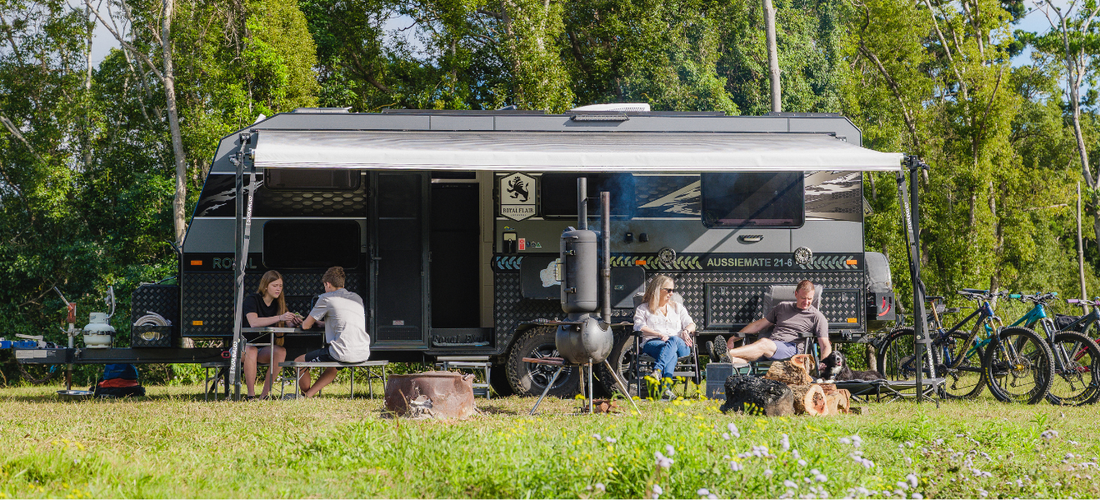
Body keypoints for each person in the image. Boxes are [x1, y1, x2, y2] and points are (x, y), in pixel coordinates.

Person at [287, 266, 370, 398]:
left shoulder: (326, 298)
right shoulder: (356, 298)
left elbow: (306, 326)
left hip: (341, 351)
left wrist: (302, 321)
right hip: (363, 351)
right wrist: (322, 324)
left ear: (328, 284)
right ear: (342, 283)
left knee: (298, 362)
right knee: (332, 368)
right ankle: (308, 395)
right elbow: (343, 321)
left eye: (324, 286)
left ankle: (303, 395)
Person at [714, 279, 831, 365]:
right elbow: (758, 325)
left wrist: (824, 364)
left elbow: (825, 345)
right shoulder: (783, 307)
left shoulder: (817, 316)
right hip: (772, 348)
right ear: (796, 294)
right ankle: (725, 357)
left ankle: (726, 352)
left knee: (764, 343)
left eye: (810, 299)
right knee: (740, 360)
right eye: (803, 298)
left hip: (792, 349)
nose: (806, 302)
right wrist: (733, 338)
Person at [241, 270, 300, 400]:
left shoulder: (279, 303)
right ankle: (251, 395)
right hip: (243, 347)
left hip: (264, 348)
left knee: (280, 351)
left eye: (280, 286)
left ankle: (264, 395)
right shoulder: (252, 299)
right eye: (275, 286)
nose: (278, 289)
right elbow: (254, 322)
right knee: (251, 350)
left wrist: (295, 322)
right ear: (266, 286)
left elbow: (288, 323)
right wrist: (279, 317)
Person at [634, 275, 696, 397]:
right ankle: (665, 390)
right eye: (668, 290)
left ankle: (657, 370)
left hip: (680, 346)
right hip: (654, 343)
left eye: (673, 290)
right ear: (657, 290)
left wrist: (686, 331)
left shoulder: (677, 307)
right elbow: (639, 327)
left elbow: (691, 324)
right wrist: (658, 334)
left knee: (673, 340)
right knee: (670, 351)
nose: (671, 293)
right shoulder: (643, 309)